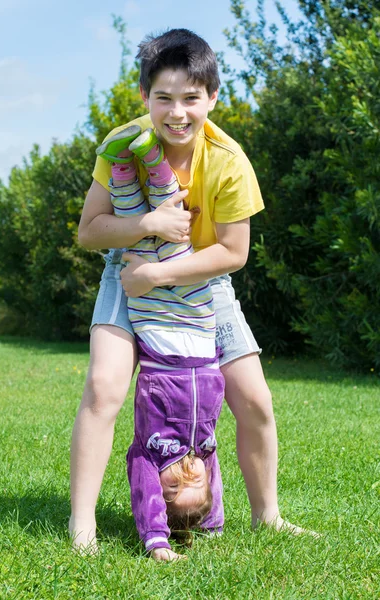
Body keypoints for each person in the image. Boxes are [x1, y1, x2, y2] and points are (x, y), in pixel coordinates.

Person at [70, 27, 312, 555]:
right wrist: (148, 224)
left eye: (191, 99)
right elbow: (90, 230)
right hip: (127, 269)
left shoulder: (229, 161)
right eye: (163, 98)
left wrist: (159, 275)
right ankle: (82, 525)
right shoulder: (124, 144)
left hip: (203, 279)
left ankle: (267, 516)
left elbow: (233, 252)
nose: (177, 113)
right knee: (105, 387)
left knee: (255, 400)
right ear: (144, 98)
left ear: (213, 98)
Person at [95, 126, 225, 561]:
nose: (185, 474)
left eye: (174, 487)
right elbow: (209, 491)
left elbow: (148, 493)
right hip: (201, 328)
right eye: (196, 483)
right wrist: (211, 523)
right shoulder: (204, 450)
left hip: (157, 334)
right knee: (175, 246)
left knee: (153, 243)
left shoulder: (150, 455)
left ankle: (121, 168)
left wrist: (158, 541)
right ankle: (153, 164)